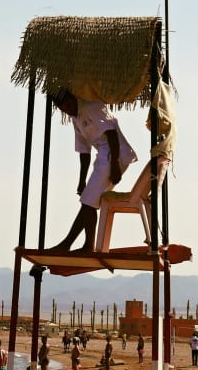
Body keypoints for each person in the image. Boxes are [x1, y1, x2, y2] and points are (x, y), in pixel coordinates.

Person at [48, 89, 137, 252]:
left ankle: (75, 245)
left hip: (114, 154)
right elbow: (84, 152)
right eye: (63, 107)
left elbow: (111, 134)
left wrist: (116, 165)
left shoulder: (91, 106)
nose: (68, 108)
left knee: (88, 201)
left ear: (73, 97)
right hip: (103, 156)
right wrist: (81, 180)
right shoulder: (75, 119)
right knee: (88, 201)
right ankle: (76, 245)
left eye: (68, 103)